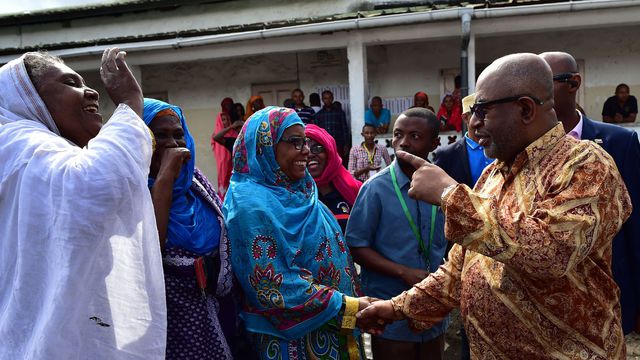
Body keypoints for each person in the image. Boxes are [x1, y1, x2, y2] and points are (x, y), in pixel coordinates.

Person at [357, 53, 632, 359]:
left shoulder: (585, 165)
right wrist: (396, 308)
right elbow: (458, 270)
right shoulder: (492, 174)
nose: (473, 125)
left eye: (483, 111)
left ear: (525, 108)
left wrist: (450, 195)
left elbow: (551, 253)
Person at [0, 49, 166, 358]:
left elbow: (112, 219)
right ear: (28, 99)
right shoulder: (19, 144)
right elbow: (99, 186)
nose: (90, 90)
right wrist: (129, 103)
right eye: (70, 82)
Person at [222, 106, 380, 359]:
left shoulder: (300, 191)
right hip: (292, 341)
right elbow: (271, 287)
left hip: (334, 329)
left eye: (305, 141)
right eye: (295, 142)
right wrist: (348, 306)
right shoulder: (249, 205)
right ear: (265, 145)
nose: (305, 150)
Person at [541, 51, 640, 336]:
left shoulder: (619, 143)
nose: (535, 93)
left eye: (546, 82)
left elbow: (635, 224)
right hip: (547, 305)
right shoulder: (522, 151)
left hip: (606, 297)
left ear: (574, 83)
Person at [347, 107, 449, 360]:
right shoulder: (375, 189)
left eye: (415, 136)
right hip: (389, 306)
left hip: (432, 304)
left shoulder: (445, 187)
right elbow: (356, 247)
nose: (403, 143)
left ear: (434, 142)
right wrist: (404, 272)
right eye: (398, 135)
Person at [143, 98, 234, 359]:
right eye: (160, 135)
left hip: (218, 315)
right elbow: (149, 253)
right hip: (170, 328)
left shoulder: (195, 183)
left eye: (178, 135)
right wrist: (164, 181)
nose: (173, 144)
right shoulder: (130, 192)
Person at [433, 93, 493, 360]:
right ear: (466, 118)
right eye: (475, 116)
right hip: (459, 241)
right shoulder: (447, 154)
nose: (480, 123)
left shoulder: (502, 150)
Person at [305, 124, 362, 233]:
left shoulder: (357, 190)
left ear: (329, 152)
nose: (310, 154)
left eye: (317, 148)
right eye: (305, 150)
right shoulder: (294, 196)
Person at [434, 93, 493, 190]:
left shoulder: (502, 146)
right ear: (465, 118)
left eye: (486, 114)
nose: (483, 120)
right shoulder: (447, 154)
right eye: (478, 114)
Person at [212, 97, 242, 198]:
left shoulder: (235, 135)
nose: (225, 122)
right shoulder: (225, 137)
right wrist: (231, 127)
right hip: (224, 164)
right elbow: (216, 138)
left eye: (227, 119)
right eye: (223, 120)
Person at [314, 90, 350, 159]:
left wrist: (346, 145)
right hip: (324, 145)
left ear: (332, 98)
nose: (328, 100)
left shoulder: (340, 113)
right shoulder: (318, 115)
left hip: (338, 145)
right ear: (322, 100)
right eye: (325, 98)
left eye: (329, 98)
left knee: (339, 164)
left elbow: (344, 129)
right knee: (327, 165)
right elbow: (317, 133)